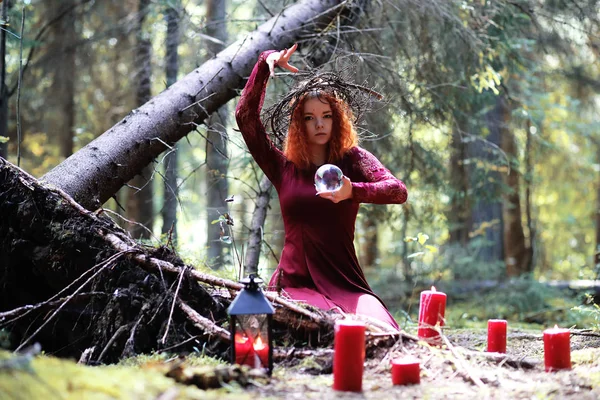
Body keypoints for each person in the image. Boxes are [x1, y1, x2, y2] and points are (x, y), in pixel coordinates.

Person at [234, 44, 408, 330]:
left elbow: (397, 191)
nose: (319, 124)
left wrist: (353, 191)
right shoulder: (282, 167)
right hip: (294, 283)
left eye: (326, 116)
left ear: (337, 120)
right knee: (322, 329)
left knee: (382, 332)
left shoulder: (354, 160)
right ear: (299, 124)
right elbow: (245, 117)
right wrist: (266, 62)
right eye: (309, 117)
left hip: (346, 282)